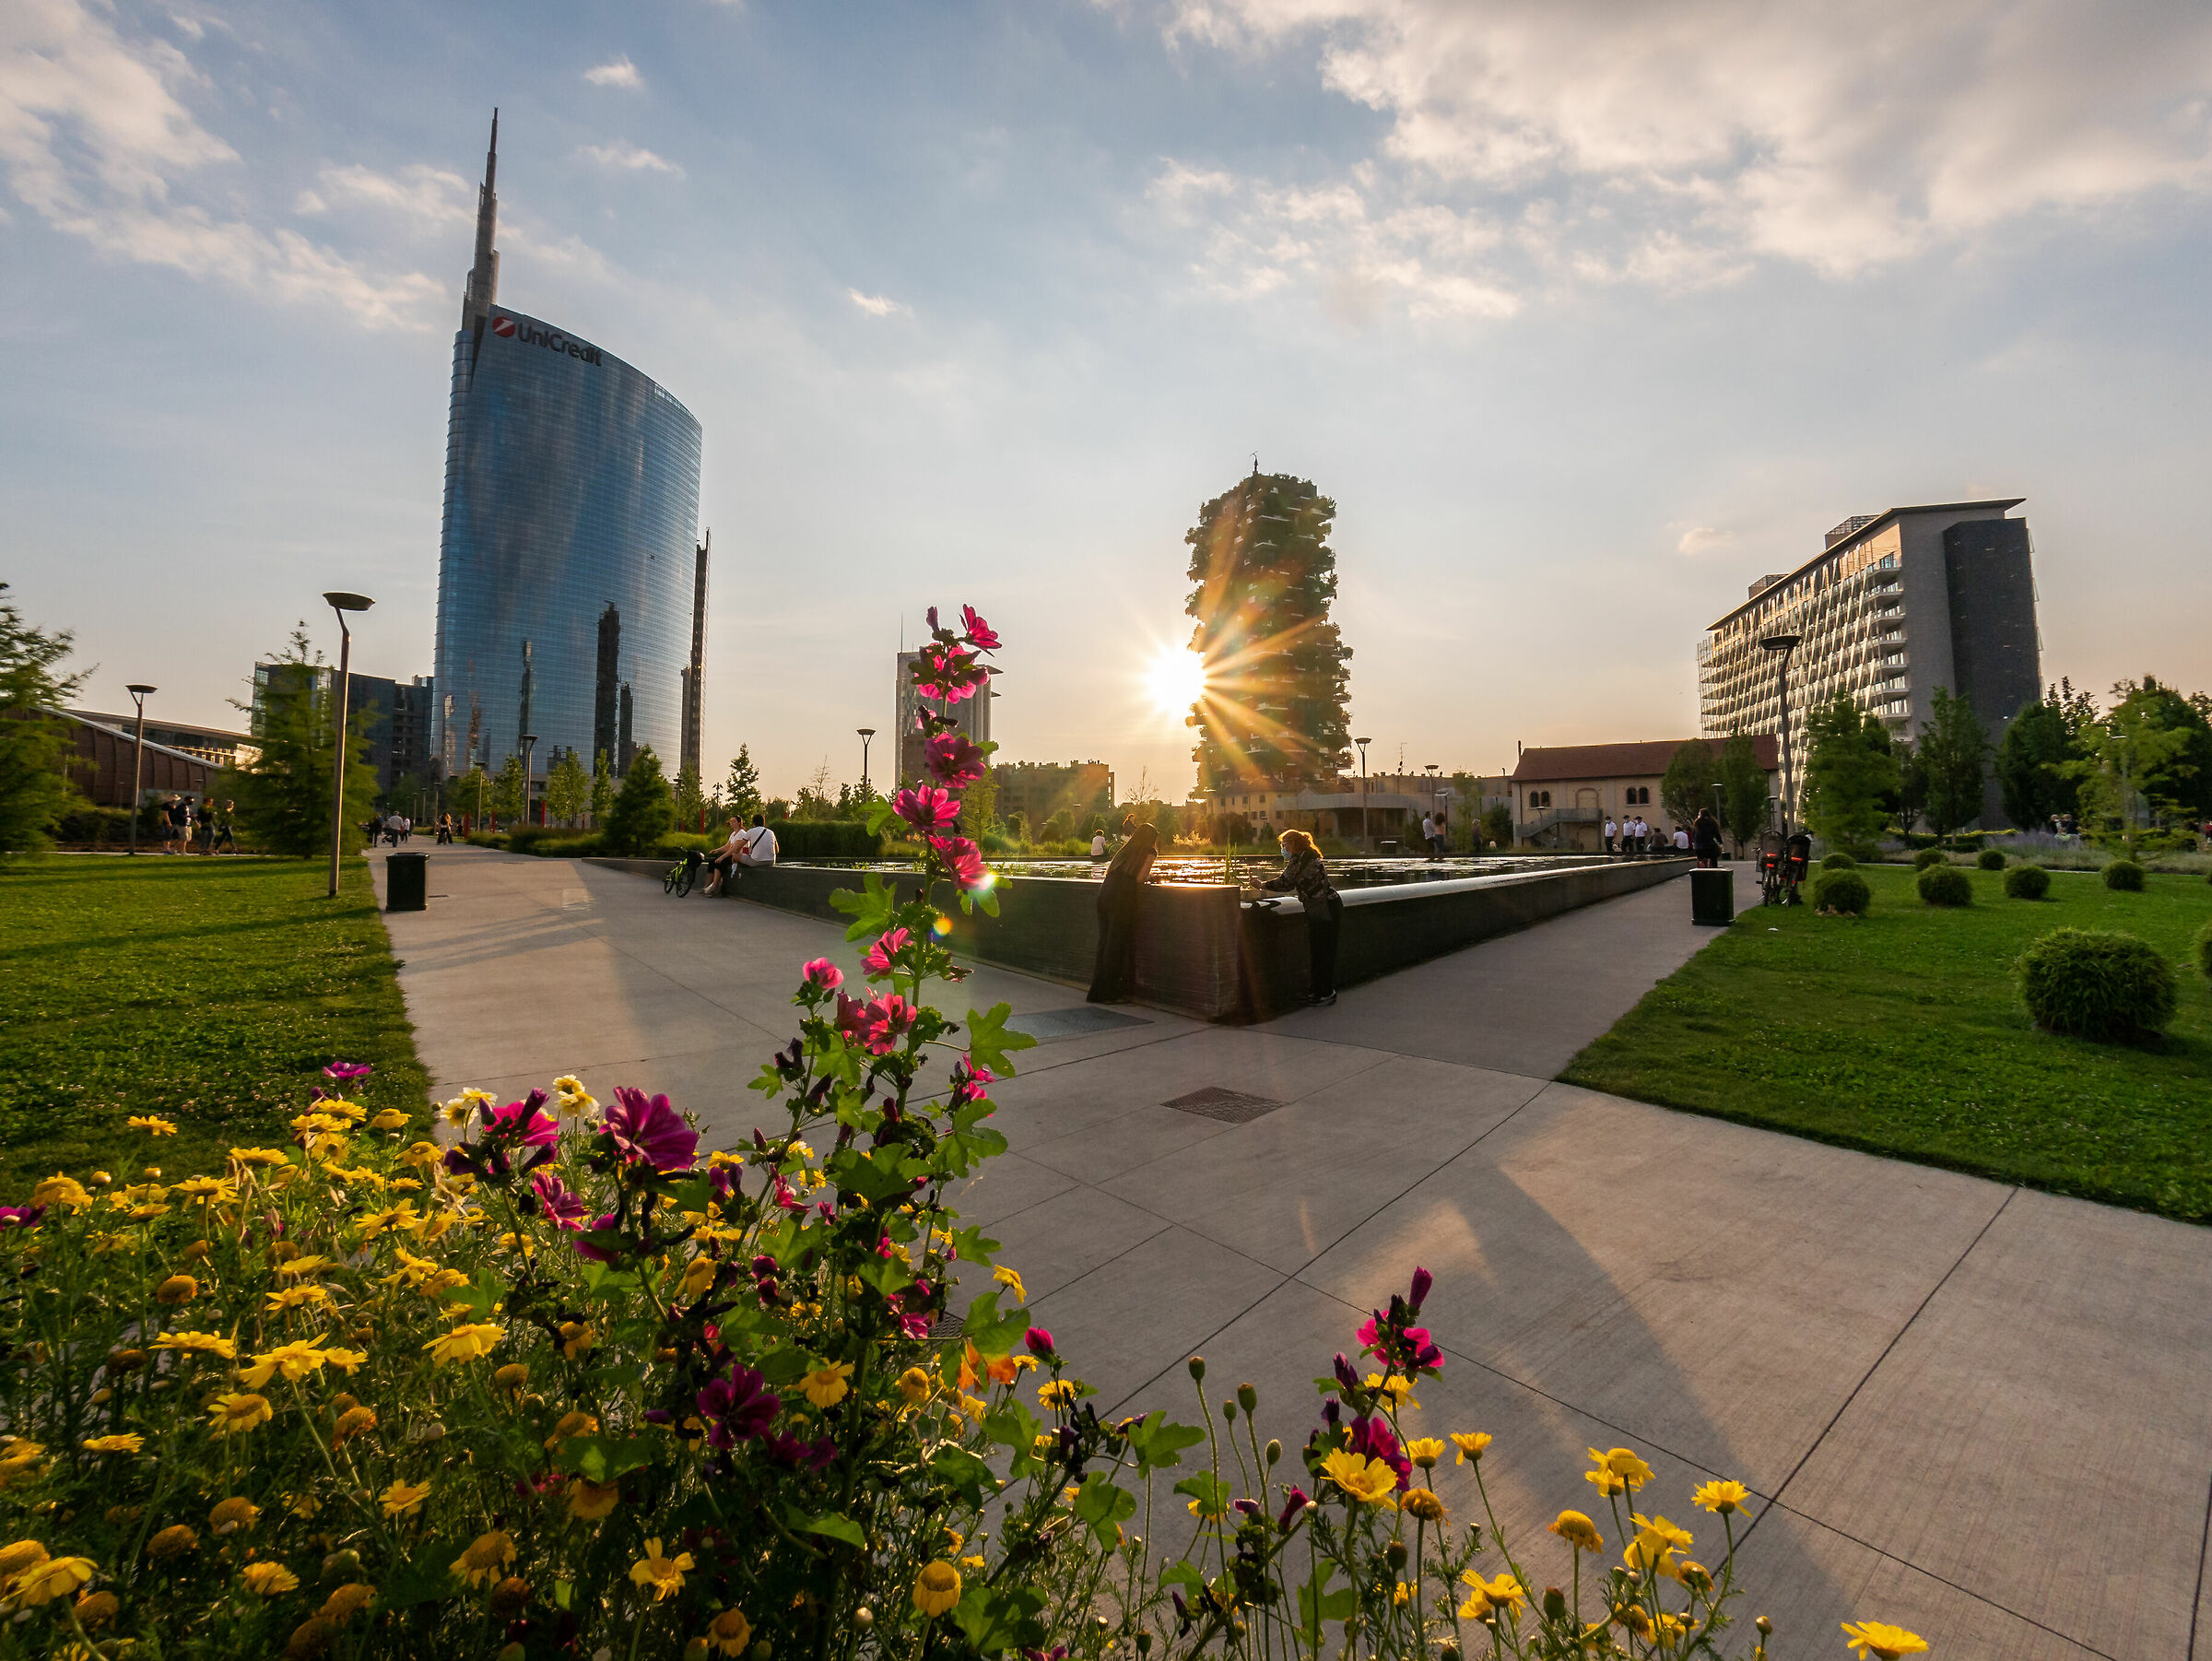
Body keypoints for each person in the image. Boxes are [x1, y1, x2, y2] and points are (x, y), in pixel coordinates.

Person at [1261, 828, 1343, 1007]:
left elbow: (1285, 883)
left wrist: (1261, 885)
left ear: (1293, 844)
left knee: (1321, 952)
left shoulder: (1301, 859)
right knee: (1324, 952)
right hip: (1329, 905)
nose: (1283, 849)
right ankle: (1321, 992)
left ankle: (1323, 993)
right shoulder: (1309, 855)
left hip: (1323, 909)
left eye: (1284, 845)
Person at [1087, 821, 1159, 1003]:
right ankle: (1109, 994)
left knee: (1104, 944)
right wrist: (1152, 877)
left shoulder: (1125, 850)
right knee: (1116, 946)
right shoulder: (1149, 851)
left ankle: (1096, 992)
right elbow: (1140, 878)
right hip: (1122, 898)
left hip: (1106, 894)